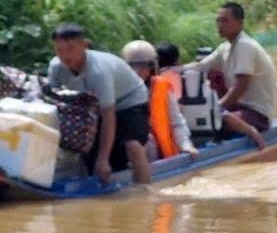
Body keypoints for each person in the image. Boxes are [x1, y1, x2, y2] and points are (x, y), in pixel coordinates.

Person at [47, 24, 151, 184]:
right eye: (59, 50)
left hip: (129, 99)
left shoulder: (99, 72)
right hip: (91, 104)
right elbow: (53, 104)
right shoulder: (56, 67)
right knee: (86, 150)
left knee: (133, 146)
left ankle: (144, 191)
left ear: (84, 46)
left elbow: (108, 117)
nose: (64, 56)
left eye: (70, 49)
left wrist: (102, 160)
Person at [185, 2, 275, 150]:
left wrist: (216, 108)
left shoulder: (245, 46)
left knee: (213, 122)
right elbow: (200, 67)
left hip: (257, 114)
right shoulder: (225, 48)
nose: (220, 25)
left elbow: (241, 86)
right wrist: (174, 69)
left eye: (225, 21)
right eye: (218, 20)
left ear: (240, 23)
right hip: (236, 109)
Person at [122, 40, 198, 160]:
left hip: (161, 154)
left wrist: (185, 145)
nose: (138, 71)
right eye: (132, 66)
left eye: (143, 65)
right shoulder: (120, 90)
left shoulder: (162, 87)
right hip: (132, 152)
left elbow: (176, 121)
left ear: (151, 66)